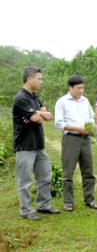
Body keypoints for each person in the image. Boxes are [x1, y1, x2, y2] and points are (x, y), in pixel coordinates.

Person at [12, 66, 60, 220]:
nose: (41, 81)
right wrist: (39, 113)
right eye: (39, 78)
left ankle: (44, 205)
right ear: (29, 78)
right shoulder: (20, 98)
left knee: (45, 176)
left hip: (39, 145)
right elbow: (37, 118)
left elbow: (48, 116)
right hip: (24, 146)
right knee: (25, 181)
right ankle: (26, 210)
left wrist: (38, 112)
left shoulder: (34, 97)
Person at [55, 75, 97, 211]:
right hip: (71, 139)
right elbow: (59, 123)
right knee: (68, 172)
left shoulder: (85, 101)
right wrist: (78, 128)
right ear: (70, 87)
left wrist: (93, 127)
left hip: (85, 139)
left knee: (88, 170)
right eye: (78, 88)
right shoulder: (62, 102)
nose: (81, 91)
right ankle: (68, 202)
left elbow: (90, 118)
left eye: (83, 88)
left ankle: (89, 198)